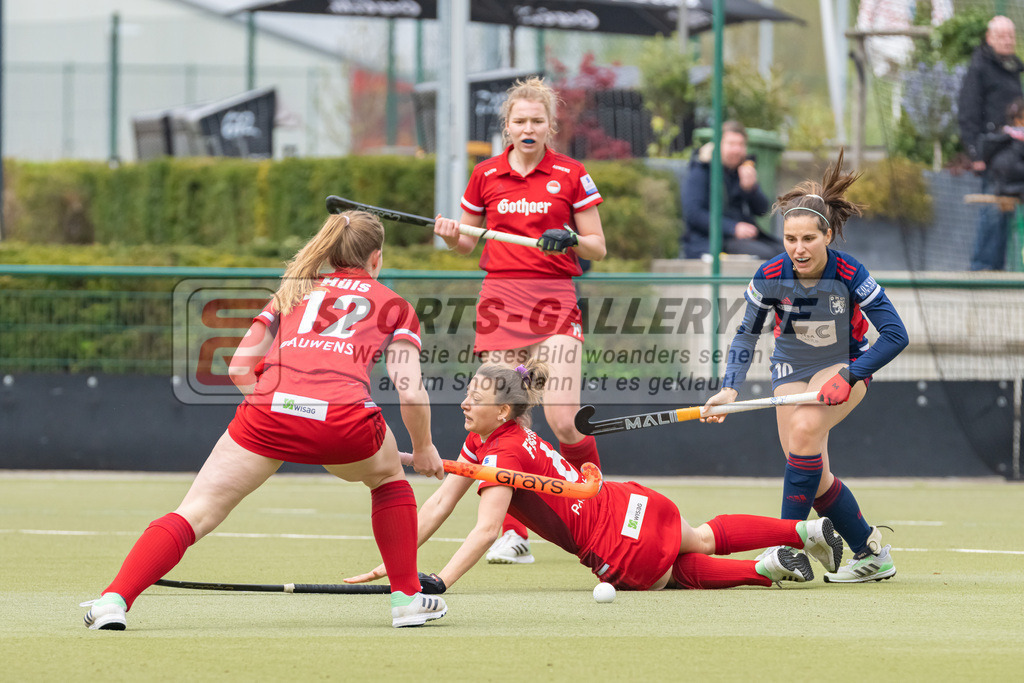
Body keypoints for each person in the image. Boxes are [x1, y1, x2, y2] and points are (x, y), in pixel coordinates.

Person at [81, 211, 449, 630]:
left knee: (196, 511)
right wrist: (423, 450)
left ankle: (113, 601)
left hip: (269, 414)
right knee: (387, 478)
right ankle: (406, 600)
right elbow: (411, 391)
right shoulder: (395, 305)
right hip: (347, 424)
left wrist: (286, 410)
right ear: (377, 259)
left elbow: (239, 367)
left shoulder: (291, 293)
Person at [344, 361, 846, 594]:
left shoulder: (503, 455)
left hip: (618, 544)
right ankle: (803, 531)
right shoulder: (488, 440)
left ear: (502, 410)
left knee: (670, 575)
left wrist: (441, 582)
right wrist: (397, 559)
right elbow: (438, 504)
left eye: (475, 397)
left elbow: (487, 529)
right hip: (636, 503)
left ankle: (761, 570)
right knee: (702, 536)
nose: (464, 403)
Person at [701, 150, 909, 583]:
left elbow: (895, 334)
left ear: (827, 235)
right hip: (788, 369)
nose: (798, 249)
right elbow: (746, 333)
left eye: (808, 239)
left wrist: (850, 375)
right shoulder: (769, 274)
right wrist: (730, 388)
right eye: (790, 239)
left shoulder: (852, 273)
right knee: (811, 473)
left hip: (844, 363)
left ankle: (784, 549)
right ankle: (870, 554)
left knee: (802, 434)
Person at [433, 76, 607, 565]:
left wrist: (569, 237)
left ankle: (597, 504)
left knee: (563, 420)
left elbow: (598, 245)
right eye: (519, 121)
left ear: (551, 126)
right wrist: (450, 234)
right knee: (501, 420)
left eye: (537, 121)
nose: (528, 128)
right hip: (500, 301)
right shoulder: (485, 174)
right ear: (506, 126)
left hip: (554, 304)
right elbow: (466, 243)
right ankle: (513, 533)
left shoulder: (571, 174)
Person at [958, 15, 1024, 271]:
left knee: (1004, 211)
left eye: (1010, 36)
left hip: (1010, 153)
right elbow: (968, 112)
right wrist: (975, 152)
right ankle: (982, 269)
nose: (1007, 41)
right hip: (992, 153)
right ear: (989, 38)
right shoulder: (979, 68)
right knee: (992, 210)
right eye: (1001, 36)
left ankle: (996, 269)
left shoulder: (1012, 68)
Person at [680, 120, 784, 260]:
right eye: (731, 144)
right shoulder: (701, 170)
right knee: (768, 256)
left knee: (786, 252)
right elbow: (693, 213)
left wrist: (751, 189)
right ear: (717, 145)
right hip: (711, 241)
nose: (736, 150)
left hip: (743, 238)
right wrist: (733, 227)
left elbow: (762, 210)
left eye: (740, 145)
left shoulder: (742, 169)